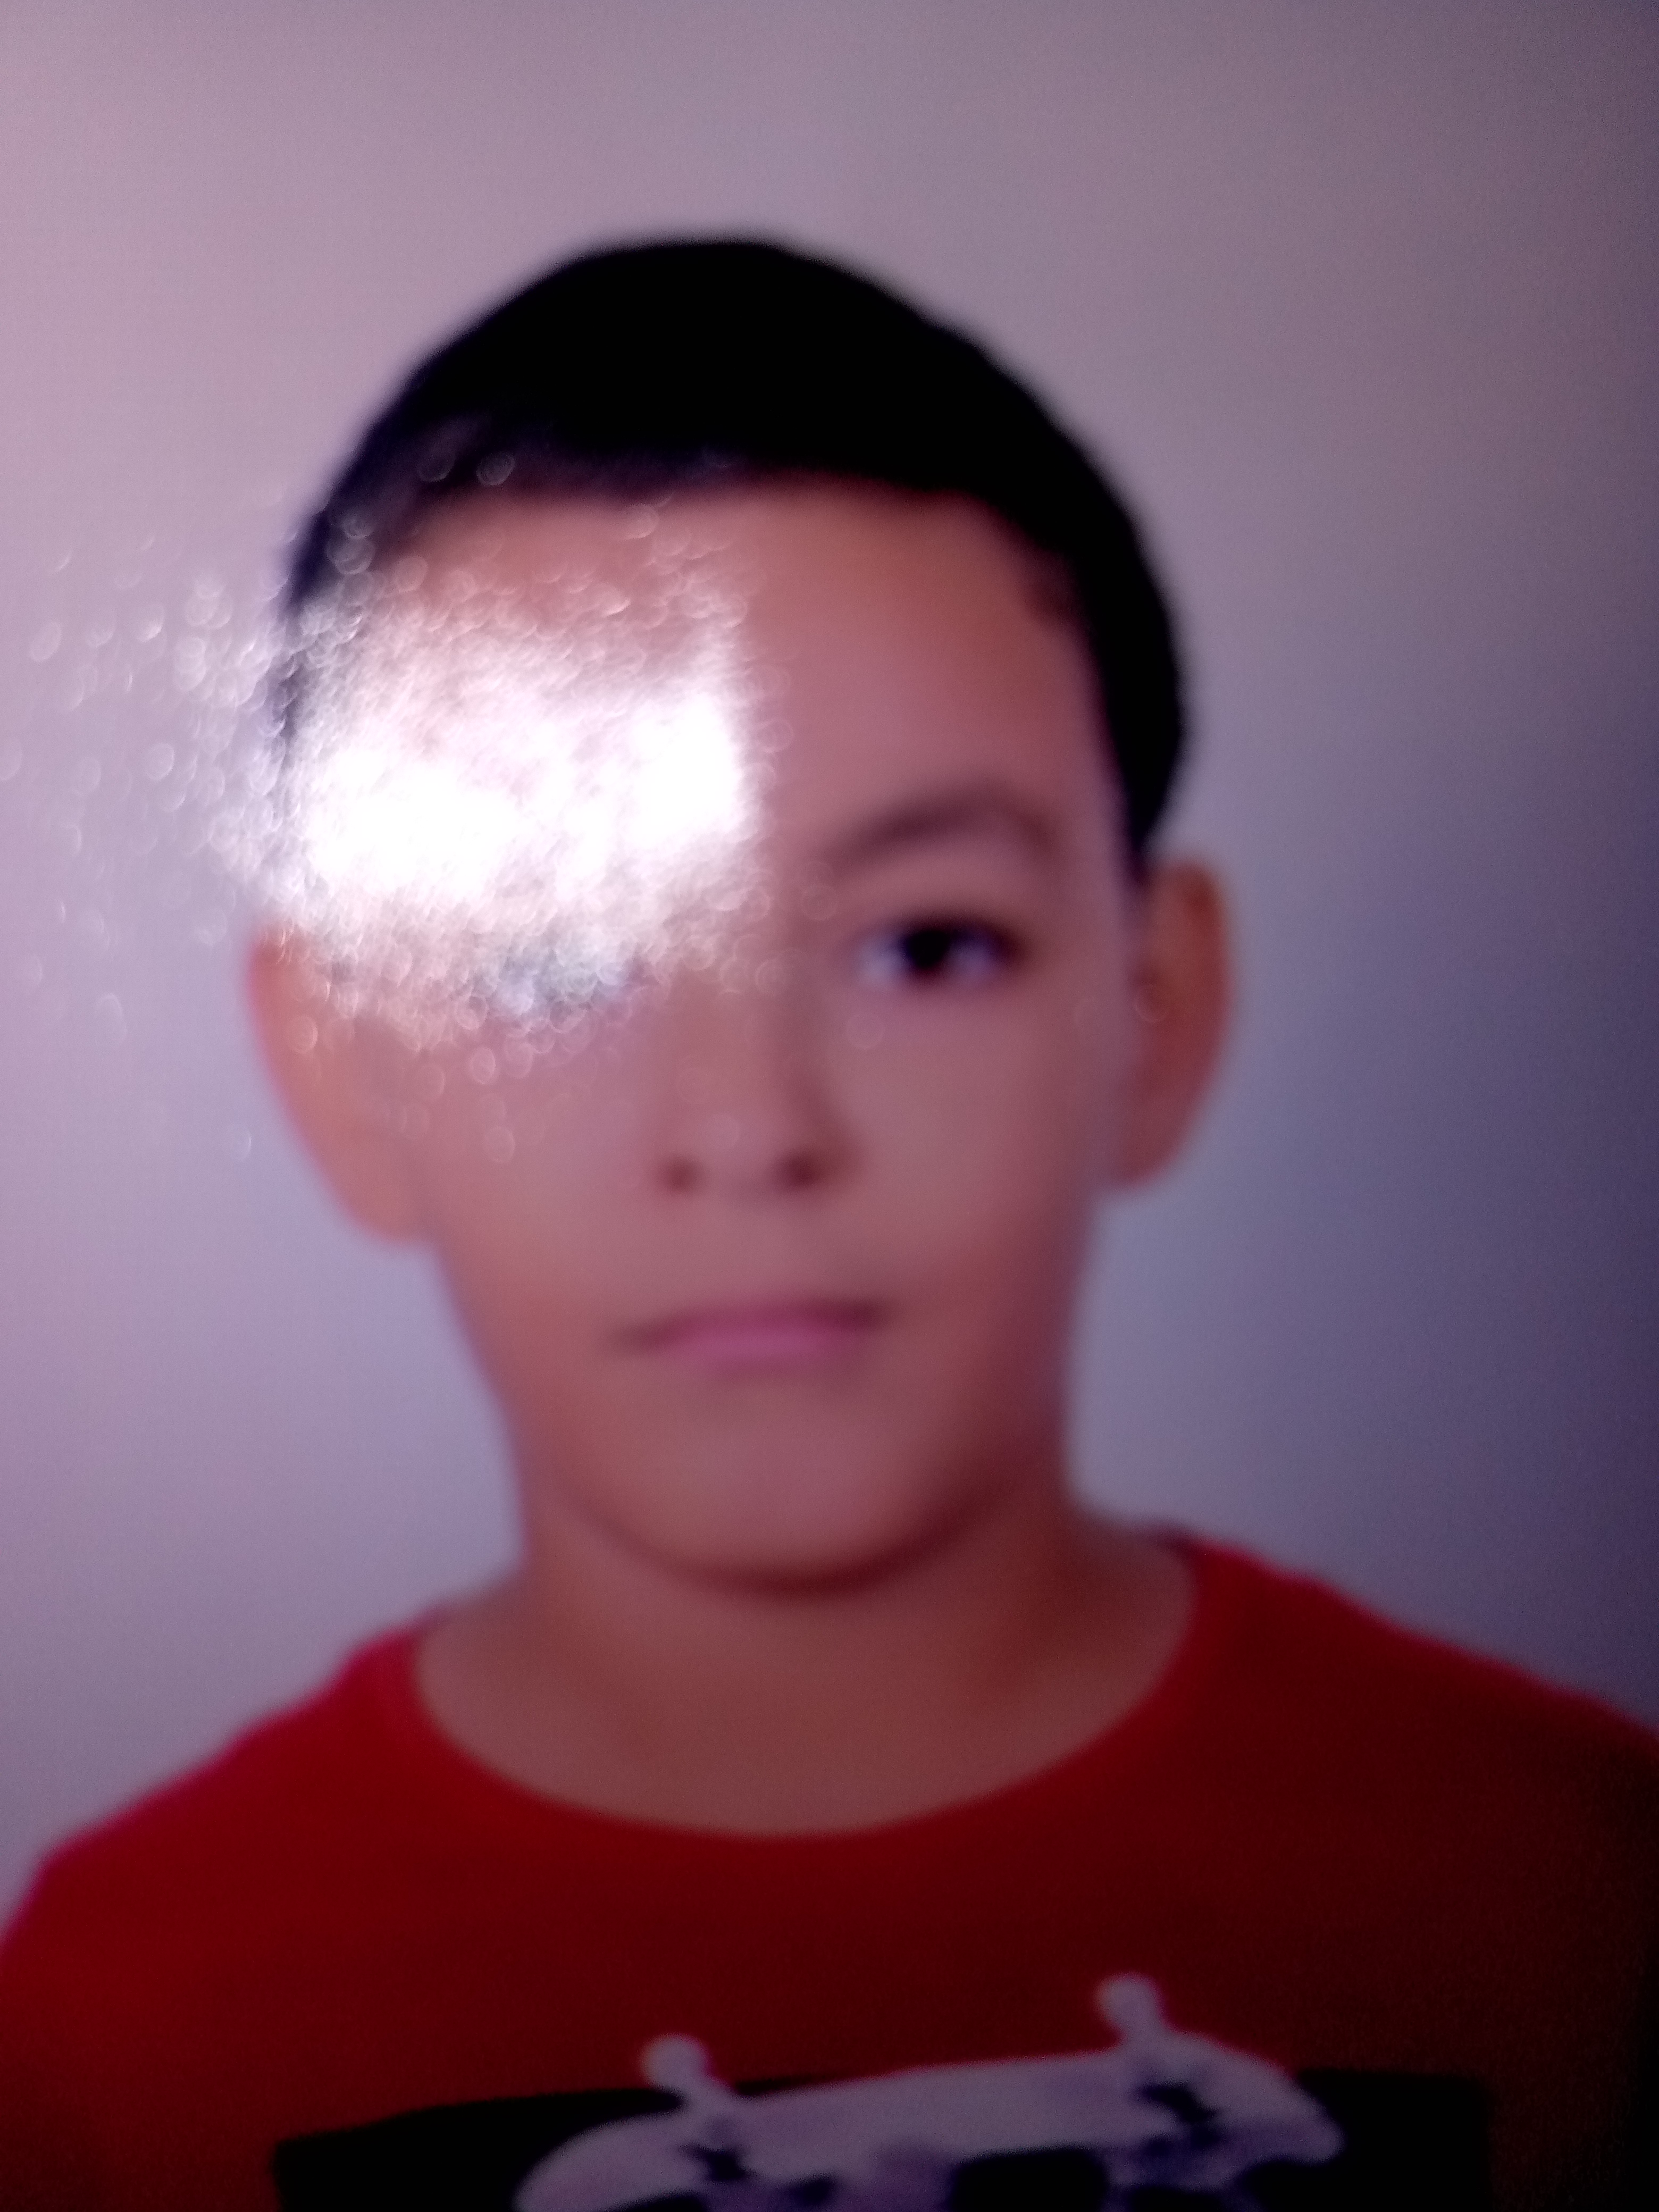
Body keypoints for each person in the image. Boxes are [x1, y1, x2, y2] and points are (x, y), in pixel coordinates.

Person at [0, 238, 1653, 2212]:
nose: (748, 1130)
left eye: (924, 946)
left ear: (1156, 1010)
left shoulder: (1582, 1907)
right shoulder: (126, 2022)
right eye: (546, 966)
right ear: (341, 1070)